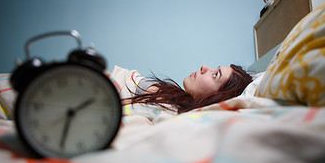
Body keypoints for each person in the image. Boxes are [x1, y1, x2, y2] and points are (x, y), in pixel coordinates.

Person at [106, 64, 252, 113]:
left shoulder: (169, 112)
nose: (204, 67)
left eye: (215, 75)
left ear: (219, 97)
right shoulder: (172, 96)